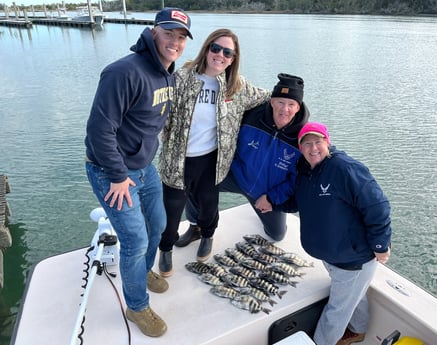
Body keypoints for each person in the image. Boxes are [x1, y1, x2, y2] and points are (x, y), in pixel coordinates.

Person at [84, 7, 192, 338]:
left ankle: (142, 271)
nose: (175, 41)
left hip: (143, 169)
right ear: (153, 31)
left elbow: (151, 121)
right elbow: (99, 131)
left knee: (158, 224)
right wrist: (117, 175)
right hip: (111, 171)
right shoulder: (123, 72)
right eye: (169, 33)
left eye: (181, 36)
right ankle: (136, 306)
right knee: (135, 239)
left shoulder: (168, 73)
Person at [157, 28, 271, 277]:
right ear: (207, 49)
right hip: (177, 161)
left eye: (227, 52)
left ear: (233, 58)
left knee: (209, 205)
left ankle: (206, 235)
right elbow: (157, 106)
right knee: (172, 211)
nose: (220, 55)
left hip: (211, 160)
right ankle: (165, 249)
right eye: (215, 48)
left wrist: (294, 106)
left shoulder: (236, 87)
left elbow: (268, 97)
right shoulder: (182, 77)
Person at [277, 122, 392, 345]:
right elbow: (299, 202)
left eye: (318, 142)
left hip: (353, 259)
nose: (313, 148)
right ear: (300, 148)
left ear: (327, 142)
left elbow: (378, 206)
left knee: (336, 311)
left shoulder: (345, 169)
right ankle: (358, 331)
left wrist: (380, 245)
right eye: (307, 143)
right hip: (331, 256)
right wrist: (273, 203)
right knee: (351, 297)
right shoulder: (304, 169)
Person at [180, 73, 310, 246]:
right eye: (280, 102)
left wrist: (272, 199)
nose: (284, 109)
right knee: (194, 181)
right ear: (271, 101)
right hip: (237, 177)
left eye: (291, 104)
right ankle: (196, 226)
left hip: (265, 191)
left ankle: (263, 210)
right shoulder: (251, 116)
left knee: (276, 235)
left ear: (298, 107)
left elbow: (295, 180)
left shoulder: (304, 138)